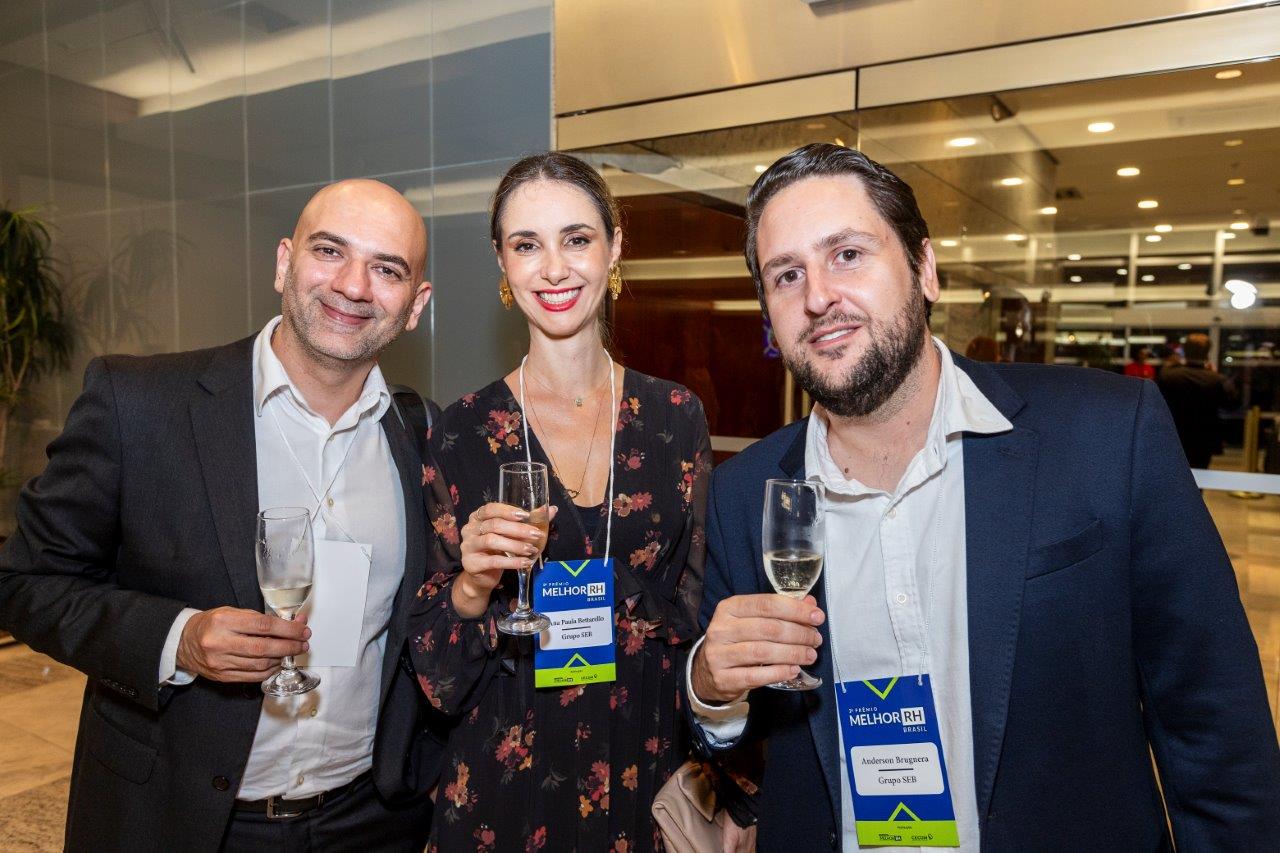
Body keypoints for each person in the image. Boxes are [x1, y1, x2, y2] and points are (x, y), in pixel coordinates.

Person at [686, 144, 1280, 851]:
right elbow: (738, 730)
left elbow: (1215, 728)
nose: (818, 297)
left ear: (925, 269)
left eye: (847, 254)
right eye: (787, 275)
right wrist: (710, 688)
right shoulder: (743, 492)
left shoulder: (1105, 436)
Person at [0, 180, 442, 852]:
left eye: (388, 269)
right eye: (330, 251)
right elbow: (24, 580)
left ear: (415, 305)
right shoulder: (139, 403)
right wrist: (177, 638)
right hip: (182, 821)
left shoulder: (419, 431)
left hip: (372, 820)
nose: (353, 286)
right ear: (284, 263)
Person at [409, 152, 711, 852]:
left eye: (576, 239)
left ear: (615, 247)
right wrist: (473, 584)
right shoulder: (461, 433)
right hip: (504, 788)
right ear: (501, 261)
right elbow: (435, 675)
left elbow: (699, 619)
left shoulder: (674, 417)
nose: (553, 269)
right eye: (527, 245)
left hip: (642, 769)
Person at [1157, 333, 1236, 469]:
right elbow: (1231, 404)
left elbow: (1156, 403)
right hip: (1204, 438)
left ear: (1185, 350)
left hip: (1173, 436)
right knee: (1199, 475)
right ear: (1207, 353)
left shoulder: (1168, 375)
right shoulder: (1216, 379)